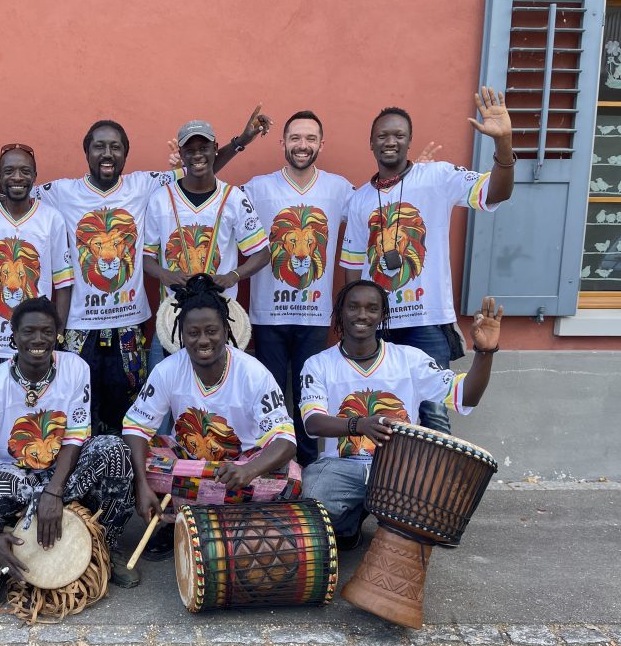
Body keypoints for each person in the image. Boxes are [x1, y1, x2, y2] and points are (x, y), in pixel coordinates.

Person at [0, 107, 271, 435]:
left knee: (129, 416)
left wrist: (240, 142)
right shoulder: (61, 193)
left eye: (115, 147)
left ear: (125, 154)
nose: (107, 153)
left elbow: (199, 166)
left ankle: (126, 467)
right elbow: (10, 189)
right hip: (79, 328)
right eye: (99, 146)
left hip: (128, 326)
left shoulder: (144, 185)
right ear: (86, 152)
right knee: (77, 415)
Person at [340, 87, 514, 434]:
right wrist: (350, 323)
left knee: (433, 416)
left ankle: (437, 472)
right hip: (378, 325)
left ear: (409, 141)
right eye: (382, 136)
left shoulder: (437, 177)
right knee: (383, 410)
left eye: (398, 135)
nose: (390, 141)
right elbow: (353, 268)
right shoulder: (359, 200)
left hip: (427, 323)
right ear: (371, 143)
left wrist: (503, 142)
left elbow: (498, 192)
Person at [0, 297, 138, 587]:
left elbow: (76, 435)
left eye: (47, 331)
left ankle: (107, 547)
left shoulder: (75, 368)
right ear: (14, 336)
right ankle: (18, 545)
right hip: (21, 480)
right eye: (29, 331)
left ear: (57, 335)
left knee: (114, 450)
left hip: (66, 475)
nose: (38, 339)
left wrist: (54, 492)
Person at [299, 279, 502, 549]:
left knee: (433, 512)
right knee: (315, 502)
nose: (362, 314)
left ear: (383, 315)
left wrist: (485, 352)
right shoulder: (318, 364)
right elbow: (313, 423)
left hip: (399, 468)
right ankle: (348, 526)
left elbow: (466, 396)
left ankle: (393, 530)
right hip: (342, 467)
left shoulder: (410, 359)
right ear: (340, 312)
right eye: (353, 307)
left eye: (372, 308)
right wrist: (360, 425)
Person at [122, 275, 297, 557]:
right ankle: (181, 522)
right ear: (181, 334)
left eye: (212, 331)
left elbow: (285, 441)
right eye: (193, 332)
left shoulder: (253, 372)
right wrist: (142, 483)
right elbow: (136, 428)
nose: (203, 340)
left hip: (239, 468)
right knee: (138, 461)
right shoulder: (167, 370)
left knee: (290, 478)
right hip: (188, 466)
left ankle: (195, 514)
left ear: (226, 330)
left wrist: (249, 470)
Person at [245, 110, 355, 468]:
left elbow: (374, 211)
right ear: (283, 142)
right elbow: (217, 207)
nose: (302, 145)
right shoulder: (257, 188)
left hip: (315, 316)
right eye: (295, 138)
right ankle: (273, 468)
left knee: (310, 397)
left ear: (322, 144)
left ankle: (309, 469)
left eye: (310, 138)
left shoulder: (340, 188)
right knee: (271, 397)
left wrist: (407, 182)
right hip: (268, 315)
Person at [0, 143, 73, 476]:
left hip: (35, 346)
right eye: (8, 171)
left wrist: (58, 333)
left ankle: (33, 489)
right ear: (0, 175)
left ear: (35, 176)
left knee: (32, 420)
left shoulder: (51, 219)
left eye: (24, 171)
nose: (17, 177)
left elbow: (64, 283)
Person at [143, 119, 272, 370]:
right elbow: (146, 257)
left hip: (220, 319)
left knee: (220, 388)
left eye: (203, 148)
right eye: (190, 150)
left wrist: (233, 276)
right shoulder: (160, 198)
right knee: (161, 386)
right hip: (172, 317)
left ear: (215, 148)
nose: (197, 155)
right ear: (181, 154)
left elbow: (262, 253)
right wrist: (165, 274)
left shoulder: (233, 198)